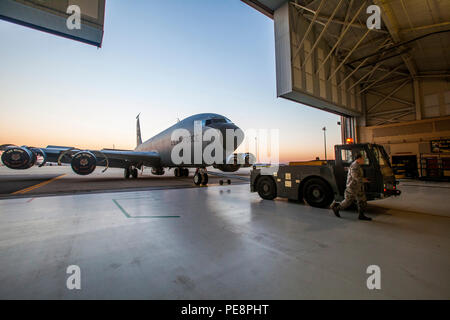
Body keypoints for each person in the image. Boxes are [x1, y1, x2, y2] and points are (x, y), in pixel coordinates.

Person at [330, 153, 372, 221]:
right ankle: (336, 208)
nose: (364, 160)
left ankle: (361, 215)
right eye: (363, 158)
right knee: (348, 201)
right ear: (359, 158)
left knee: (362, 201)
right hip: (352, 187)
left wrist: (364, 179)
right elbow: (356, 177)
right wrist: (365, 180)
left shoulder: (358, 165)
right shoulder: (354, 166)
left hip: (359, 187)